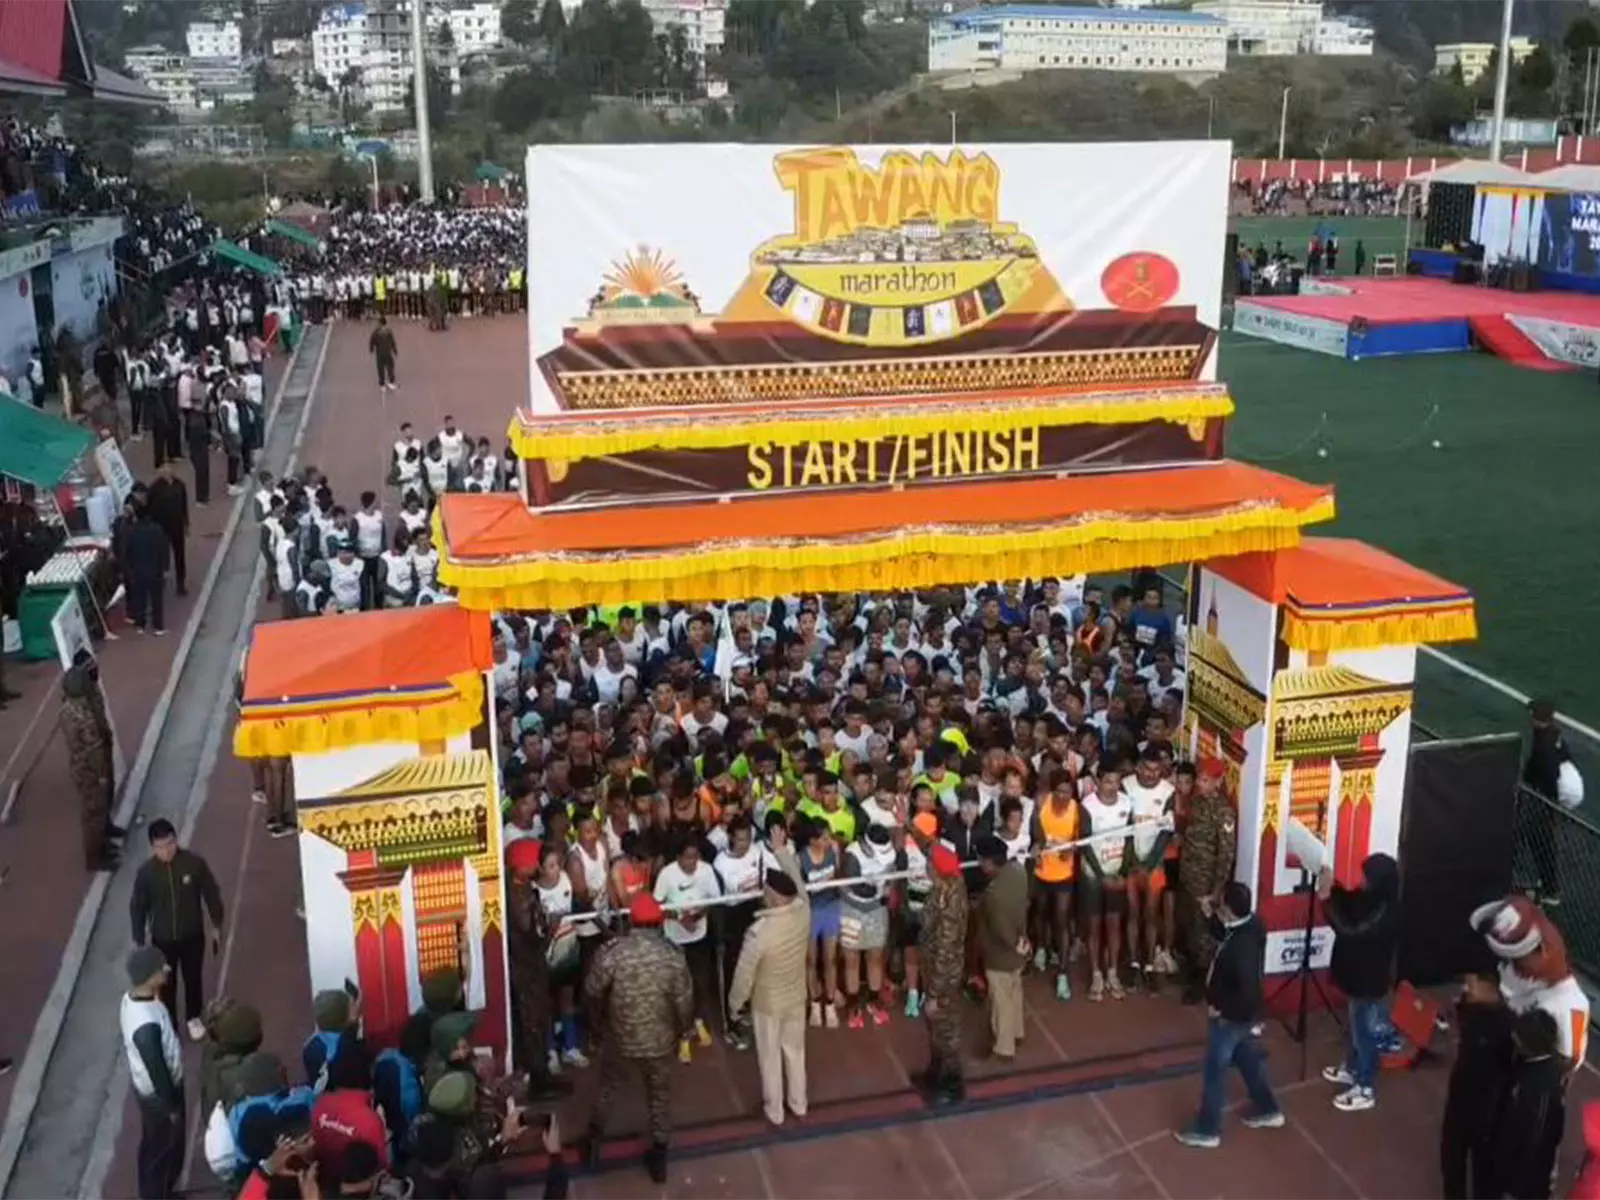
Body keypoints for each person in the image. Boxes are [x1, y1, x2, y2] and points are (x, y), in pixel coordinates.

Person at [581, 893, 694, 1184]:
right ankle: (659, 1159)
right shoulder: (672, 955)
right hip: (659, 1040)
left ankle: (593, 1143)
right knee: (659, 1096)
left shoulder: (613, 952)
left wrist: (597, 1025)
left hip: (619, 1038)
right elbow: (684, 1001)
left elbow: (592, 991)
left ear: (632, 920)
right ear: (658, 922)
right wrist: (684, 1030)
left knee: (608, 1088)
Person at [1173, 880, 1283, 1149]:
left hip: (1230, 1018)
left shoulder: (1239, 949)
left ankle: (1207, 1129)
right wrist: (1213, 915)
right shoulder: (1252, 925)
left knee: (1215, 1071)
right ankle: (1268, 1109)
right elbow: (1226, 933)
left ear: (1230, 910)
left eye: (1221, 903)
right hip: (1243, 1018)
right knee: (1246, 1060)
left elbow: (1244, 989)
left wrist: (1220, 1008)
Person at [728, 866, 811, 1128]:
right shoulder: (803, 912)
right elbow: (799, 885)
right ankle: (799, 1103)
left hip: (767, 1004)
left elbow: (744, 975)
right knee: (795, 1052)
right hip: (796, 996)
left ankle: (775, 1110)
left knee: (769, 1057)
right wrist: (782, 853)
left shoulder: (759, 933)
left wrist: (734, 1005)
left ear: (775, 899)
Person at [130, 817, 225, 1041]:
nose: (167, 850)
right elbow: (138, 906)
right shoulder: (146, 874)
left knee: (193, 978)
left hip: (192, 934)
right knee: (166, 984)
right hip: (162, 940)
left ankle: (194, 1016)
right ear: (153, 847)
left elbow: (211, 893)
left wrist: (216, 923)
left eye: (170, 843)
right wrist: (139, 938)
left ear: (176, 839)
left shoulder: (194, 864)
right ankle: (169, 1022)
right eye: (161, 847)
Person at [1319, 853, 1401, 1112]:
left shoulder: (1385, 908)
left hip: (1368, 979)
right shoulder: (1373, 899)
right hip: (1359, 975)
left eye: (1367, 876)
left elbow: (1350, 929)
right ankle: (1353, 1068)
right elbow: (1351, 904)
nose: (1362, 880)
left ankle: (1365, 1085)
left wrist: (1327, 901)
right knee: (1356, 1027)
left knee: (1363, 1032)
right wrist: (1333, 889)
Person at [503, 837, 571, 1100]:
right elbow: (530, 932)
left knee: (539, 1021)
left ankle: (543, 1077)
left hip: (531, 967)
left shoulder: (521, 889)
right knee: (533, 1023)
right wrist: (551, 929)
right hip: (527, 969)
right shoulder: (520, 896)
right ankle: (540, 1081)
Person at [1440, 974, 1513, 1200]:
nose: (1467, 988)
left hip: (1486, 1106)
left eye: (1472, 984)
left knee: (1484, 1164)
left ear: (1491, 987)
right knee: (1452, 1157)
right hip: (1459, 1097)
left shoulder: (1507, 1024)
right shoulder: (1471, 1010)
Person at [122, 945, 186, 1200]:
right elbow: (157, 1069)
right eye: (161, 968)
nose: (167, 969)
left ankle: (157, 1192)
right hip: (160, 1098)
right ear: (149, 976)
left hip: (148, 1094)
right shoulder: (145, 1025)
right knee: (164, 1150)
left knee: (152, 1146)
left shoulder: (135, 1000)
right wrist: (172, 1107)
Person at [1485, 1010, 1567, 1200]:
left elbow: (1535, 1143)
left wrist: (1512, 1186)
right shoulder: (1539, 1065)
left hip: (1522, 1180)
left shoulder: (1541, 1089)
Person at [1179, 759, 1236, 1004]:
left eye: (1204, 780)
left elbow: (1225, 855)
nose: (1199, 784)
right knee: (1190, 927)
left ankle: (1202, 982)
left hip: (1206, 884)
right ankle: (1191, 969)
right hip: (1189, 876)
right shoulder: (1196, 802)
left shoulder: (1223, 812)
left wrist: (1216, 891)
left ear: (1217, 781)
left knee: (1203, 933)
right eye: (1199, 779)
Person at [61, 653, 123, 872]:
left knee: (104, 802)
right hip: (90, 770)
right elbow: (90, 746)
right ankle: (95, 857)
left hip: (100, 759)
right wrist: (101, 773)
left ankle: (106, 834)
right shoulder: (77, 712)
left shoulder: (87, 697)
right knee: (93, 812)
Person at [919, 843, 969, 1106]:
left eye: (929, 865)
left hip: (944, 976)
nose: (926, 867)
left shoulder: (950, 902)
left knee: (945, 1028)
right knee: (935, 1028)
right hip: (935, 969)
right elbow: (931, 846)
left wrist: (935, 994)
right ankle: (936, 1071)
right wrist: (909, 828)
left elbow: (945, 951)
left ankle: (951, 1083)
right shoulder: (947, 884)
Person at [975, 833, 1029, 1061]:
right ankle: (1017, 1032)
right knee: (1015, 990)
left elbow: (999, 928)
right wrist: (1023, 942)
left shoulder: (992, 895)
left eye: (980, 860)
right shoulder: (1019, 872)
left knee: (1000, 1000)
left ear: (988, 862)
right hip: (1021, 941)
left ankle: (1003, 1047)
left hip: (1000, 953)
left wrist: (1013, 944)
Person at [1522, 699, 1569, 905]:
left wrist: (1535, 791)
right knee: (1544, 843)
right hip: (1548, 802)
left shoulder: (1543, 745)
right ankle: (1549, 885)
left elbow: (1545, 773)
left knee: (1541, 843)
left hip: (1541, 803)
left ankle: (1550, 891)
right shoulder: (1554, 734)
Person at [123, 499, 170, 635]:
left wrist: (129, 569)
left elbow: (128, 552)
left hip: (138, 571)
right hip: (155, 570)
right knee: (157, 600)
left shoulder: (132, 531)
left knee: (140, 599)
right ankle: (158, 626)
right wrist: (165, 567)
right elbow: (164, 549)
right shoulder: (157, 529)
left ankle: (140, 625)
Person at [146, 459, 190, 596]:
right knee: (162, 557)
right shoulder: (154, 488)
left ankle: (180, 584)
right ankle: (160, 581)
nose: (167, 470)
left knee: (180, 556)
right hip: (162, 529)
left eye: (169, 467)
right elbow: (149, 508)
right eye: (164, 468)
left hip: (177, 526)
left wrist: (186, 523)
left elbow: (184, 505)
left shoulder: (180, 485)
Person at [370, 316, 398, 391]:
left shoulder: (376, 332)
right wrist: (395, 350)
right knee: (390, 367)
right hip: (388, 352)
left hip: (379, 353)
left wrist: (371, 349)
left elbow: (372, 341)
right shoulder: (389, 331)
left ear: (379, 323)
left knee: (380, 368)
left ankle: (382, 385)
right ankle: (391, 382)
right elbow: (392, 342)